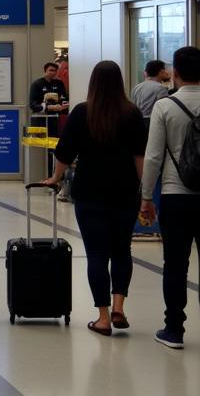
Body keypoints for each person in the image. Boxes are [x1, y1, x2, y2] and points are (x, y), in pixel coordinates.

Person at [45, 61, 146, 336]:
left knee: (97, 254)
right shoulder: (132, 114)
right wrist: (146, 193)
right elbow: (140, 158)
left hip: (90, 193)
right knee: (122, 251)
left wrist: (55, 178)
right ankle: (119, 307)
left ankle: (102, 318)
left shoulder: (82, 112)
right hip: (125, 193)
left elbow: (64, 152)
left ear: (93, 83)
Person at [141, 45, 200, 349]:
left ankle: (174, 329)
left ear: (175, 73)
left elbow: (152, 157)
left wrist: (145, 197)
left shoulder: (166, 106)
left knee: (175, 264)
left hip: (176, 195)